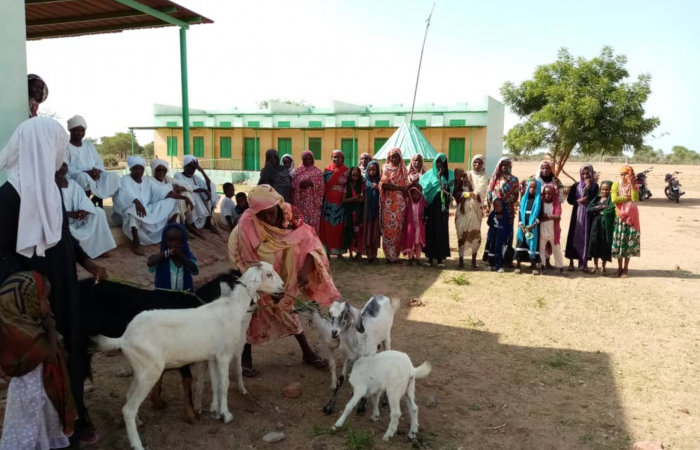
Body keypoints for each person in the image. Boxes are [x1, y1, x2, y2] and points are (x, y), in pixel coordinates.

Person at [0, 117, 108, 446]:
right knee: (43, 363)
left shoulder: (49, 189)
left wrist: (85, 259)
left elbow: (60, 236)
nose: (62, 153)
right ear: (44, 148)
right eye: (58, 146)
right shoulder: (9, 196)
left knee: (69, 352)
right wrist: (33, 293)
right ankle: (43, 434)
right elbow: (3, 254)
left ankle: (73, 419)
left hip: (63, 288)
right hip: (33, 303)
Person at [228, 185, 342, 376]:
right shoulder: (247, 224)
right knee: (255, 312)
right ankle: (245, 358)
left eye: (270, 212)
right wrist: (265, 286)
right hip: (260, 272)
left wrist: (306, 270)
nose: (266, 218)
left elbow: (310, 240)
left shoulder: (291, 217)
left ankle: (307, 353)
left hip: (287, 270)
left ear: (278, 204)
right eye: (261, 215)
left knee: (287, 307)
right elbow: (249, 261)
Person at [0, 272, 78, 450]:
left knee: (38, 431)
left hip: (39, 390)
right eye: (45, 299)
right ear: (28, 300)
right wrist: (51, 328)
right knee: (28, 433)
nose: (48, 305)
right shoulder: (21, 332)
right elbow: (49, 354)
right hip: (29, 394)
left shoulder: (20, 322)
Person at [113, 156, 193, 255]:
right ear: (131, 169)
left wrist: (185, 198)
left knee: (172, 201)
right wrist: (137, 202)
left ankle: (171, 232)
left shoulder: (146, 180)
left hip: (146, 209)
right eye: (136, 168)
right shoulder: (125, 179)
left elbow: (161, 193)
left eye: (141, 168)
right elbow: (127, 193)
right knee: (133, 208)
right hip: (129, 211)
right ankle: (136, 242)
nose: (139, 171)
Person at [56, 163, 116, 259]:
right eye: (58, 165)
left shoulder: (73, 184)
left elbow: (85, 201)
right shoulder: (48, 186)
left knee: (99, 212)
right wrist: (67, 214)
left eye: (64, 165)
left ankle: (99, 249)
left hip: (77, 220)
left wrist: (84, 211)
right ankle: (72, 254)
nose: (62, 168)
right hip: (61, 222)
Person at [65, 116, 120, 207]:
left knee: (114, 176)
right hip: (76, 176)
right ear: (70, 130)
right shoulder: (65, 146)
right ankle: (84, 203)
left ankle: (93, 200)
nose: (80, 133)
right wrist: (87, 173)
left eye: (82, 130)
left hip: (94, 175)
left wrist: (97, 171)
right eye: (77, 130)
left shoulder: (89, 145)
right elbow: (66, 167)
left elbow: (98, 162)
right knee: (83, 177)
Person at [149, 158, 201, 238]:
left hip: (167, 204)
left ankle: (183, 224)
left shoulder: (167, 179)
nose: (161, 173)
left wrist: (179, 189)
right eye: (159, 170)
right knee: (174, 200)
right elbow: (166, 194)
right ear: (154, 170)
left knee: (185, 193)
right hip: (155, 206)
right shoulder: (150, 181)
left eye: (164, 170)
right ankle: (180, 226)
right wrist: (174, 190)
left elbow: (187, 185)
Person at [420, 153, 454, 268]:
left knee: (441, 231)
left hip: (442, 208)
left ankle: (440, 258)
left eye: (443, 162)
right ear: (435, 163)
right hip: (431, 206)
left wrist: (440, 178)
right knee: (430, 230)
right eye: (438, 162)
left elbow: (449, 191)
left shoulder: (450, 175)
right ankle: (429, 258)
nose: (440, 164)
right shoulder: (427, 175)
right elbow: (424, 189)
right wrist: (435, 181)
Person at [174, 155, 221, 235]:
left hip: (199, 202)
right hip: (185, 200)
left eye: (194, 168)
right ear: (185, 166)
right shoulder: (178, 175)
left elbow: (208, 184)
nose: (193, 170)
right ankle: (190, 224)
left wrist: (201, 171)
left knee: (212, 190)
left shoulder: (195, 177)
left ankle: (208, 222)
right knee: (193, 194)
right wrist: (203, 190)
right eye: (191, 167)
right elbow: (186, 187)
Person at [486, 157, 520, 266]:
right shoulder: (496, 179)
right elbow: (491, 194)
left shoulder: (514, 180)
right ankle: (492, 259)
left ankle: (506, 259)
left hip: (508, 211)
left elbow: (515, 195)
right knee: (494, 233)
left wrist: (505, 204)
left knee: (507, 234)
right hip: (496, 211)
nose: (504, 167)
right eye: (502, 165)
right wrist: (495, 206)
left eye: (507, 165)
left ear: (510, 166)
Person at [565, 164, 598, 271]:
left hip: (588, 214)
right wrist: (579, 201)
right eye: (583, 174)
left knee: (586, 237)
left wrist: (588, 187)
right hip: (576, 215)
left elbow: (592, 198)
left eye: (587, 174)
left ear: (592, 174)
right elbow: (570, 200)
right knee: (573, 236)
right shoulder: (576, 186)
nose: (585, 176)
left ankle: (584, 264)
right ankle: (571, 262)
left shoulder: (595, 186)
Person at [148, 224, 199, 291]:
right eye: (170, 241)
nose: (174, 244)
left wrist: (182, 257)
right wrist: (166, 253)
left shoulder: (188, 257)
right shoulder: (161, 259)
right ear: (165, 242)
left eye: (177, 241)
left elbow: (195, 270)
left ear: (183, 242)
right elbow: (150, 263)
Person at [379, 148, 409, 264]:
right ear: (388, 158)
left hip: (400, 205)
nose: (394, 159)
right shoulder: (385, 168)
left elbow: (406, 186)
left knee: (398, 230)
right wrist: (399, 188)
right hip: (388, 203)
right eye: (392, 157)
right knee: (388, 229)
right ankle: (388, 256)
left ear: (400, 157)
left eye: (396, 156)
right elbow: (384, 185)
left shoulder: (403, 169)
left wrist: (403, 190)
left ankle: (395, 256)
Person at [611, 166, 641, 278]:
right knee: (619, 243)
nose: (623, 176)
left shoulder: (635, 185)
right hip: (620, 217)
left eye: (626, 174)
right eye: (622, 174)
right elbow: (614, 199)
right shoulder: (616, 184)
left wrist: (632, 186)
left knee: (629, 243)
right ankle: (619, 267)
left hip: (632, 217)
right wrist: (627, 198)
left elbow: (634, 199)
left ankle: (626, 268)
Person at [320, 150, 349, 258]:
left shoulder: (347, 171)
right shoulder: (327, 170)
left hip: (341, 202)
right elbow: (322, 186)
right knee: (327, 226)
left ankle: (339, 251)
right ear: (331, 158)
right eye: (335, 157)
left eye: (339, 157)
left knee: (339, 226)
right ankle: (327, 251)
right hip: (328, 202)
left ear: (343, 159)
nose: (337, 159)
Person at [453, 168, 482, 270]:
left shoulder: (474, 181)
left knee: (474, 235)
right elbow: (455, 194)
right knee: (461, 235)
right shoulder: (456, 184)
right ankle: (461, 261)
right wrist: (468, 194)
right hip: (462, 212)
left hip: (473, 211)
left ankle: (473, 262)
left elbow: (479, 196)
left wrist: (472, 194)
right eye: (456, 174)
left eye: (460, 173)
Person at [291, 150, 324, 234]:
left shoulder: (318, 172)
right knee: (301, 223)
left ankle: (312, 244)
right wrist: (300, 184)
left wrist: (312, 184)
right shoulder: (298, 172)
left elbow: (322, 186)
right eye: (305, 159)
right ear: (302, 160)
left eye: (309, 159)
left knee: (312, 226)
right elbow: (293, 185)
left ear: (312, 160)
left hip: (313, 205)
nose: (307, 161)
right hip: (301, 203)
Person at [515, 178, 542, 275]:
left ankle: (533, 265)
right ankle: (518, 265)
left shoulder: (539, 200)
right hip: (523, 226)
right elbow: (520, 214)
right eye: (530, 187)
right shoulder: (524, 199)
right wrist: (521, 226)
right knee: (521, 244)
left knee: (532, 245)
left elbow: (540, 216)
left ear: (538, 189)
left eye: (535, 188)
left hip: (533, 227)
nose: (532, 189)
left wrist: (533, 225)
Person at [587, 180, 615, 276]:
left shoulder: (611, 200)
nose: (604, 191)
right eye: (603, 189)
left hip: (606, 226)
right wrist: (601, 207)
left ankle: (603, 267)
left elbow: (611, 210)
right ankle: (595, 266)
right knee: (595, 244)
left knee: (605, 244)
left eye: (607, 189)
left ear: (611, 190)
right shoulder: (596, 199)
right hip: (596, 225)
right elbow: (589, 209)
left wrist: (601, 211)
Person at [539, 185, 565, 275]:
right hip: (542, 230)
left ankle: (561, 267)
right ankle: (542, 266)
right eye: (545, 193)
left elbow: (558, 217)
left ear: (553, 194)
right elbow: (539, 216)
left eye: (549, 194)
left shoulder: (556, 203)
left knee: (557, 249)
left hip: (553, 230)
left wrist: (545, 216)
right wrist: (551, 217)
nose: (547, 195)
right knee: (541, 248)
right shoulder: (540, 202)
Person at [342, 167, 365, 260]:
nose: (355, 177)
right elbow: (343, 200)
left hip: (359, 212)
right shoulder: (346, 186)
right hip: (349, 212)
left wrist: (353, 199)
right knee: (350, 231)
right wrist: (355, 198)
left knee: (359, 232)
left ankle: (359, 253)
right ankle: (351, 253)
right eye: (353, 175)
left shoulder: (361, 185)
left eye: (357, 175)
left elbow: (362, 199)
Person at [401, 186, 427, 266]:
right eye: (414, 194)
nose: (415, 195)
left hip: (419, 227)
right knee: (410, 242)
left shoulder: (423, 203)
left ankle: (418, 259)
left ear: (420, 194)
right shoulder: (409, 204)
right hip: (410, 227)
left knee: (418, 243)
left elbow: (425, 214)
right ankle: (410, 258)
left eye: (417, 193)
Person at [362, 160, 382, 264]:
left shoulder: (380, 180)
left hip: (377, 210)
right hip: (367, 211)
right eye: (369, 169)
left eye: (374, 169)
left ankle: (374, 255)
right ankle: (368, 254)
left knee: (375, 233)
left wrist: (378, 188)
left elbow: (384, 194)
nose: (371, 171)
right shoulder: (364, 181)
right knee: (368, 232)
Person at [486, 198, 510, 273]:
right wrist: (495, 218)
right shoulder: (492, 214)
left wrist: (507, 235)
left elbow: (507, 226)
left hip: (501, 237)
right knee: (492, 249)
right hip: (493, 236)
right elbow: (489, 223)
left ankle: (499, 265)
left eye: (500, 206)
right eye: (496, 206)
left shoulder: (505, 215)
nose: (498, 207)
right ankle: (491, 264)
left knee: (500, 250)